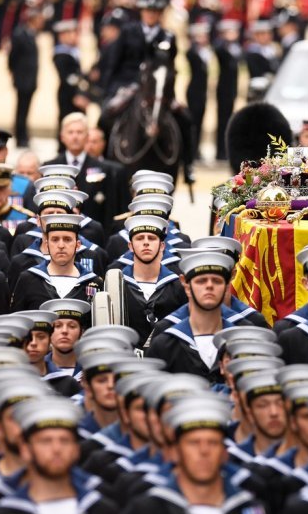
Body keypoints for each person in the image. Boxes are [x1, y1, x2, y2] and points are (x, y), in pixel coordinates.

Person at [118, 399, 271, 514]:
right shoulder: (146, 512)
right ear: (175, 452)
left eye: (213, 443)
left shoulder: (251, 511)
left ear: (225, 453)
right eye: (193, 443)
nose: (204, 451)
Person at [0, 397, 119, 514]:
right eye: (45, 441)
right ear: (26, 449)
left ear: (76, 449)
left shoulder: (102, 510)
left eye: (64, 440)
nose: (56, 449)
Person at [146, 252, 239, 382]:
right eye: (201, 281)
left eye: (217, 281)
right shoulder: (164, 345)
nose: (209, 286)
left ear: (227, 285)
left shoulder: (241, 341)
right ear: (186, 285)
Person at [42, 113, 130, 232]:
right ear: (62, 136)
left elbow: (110, 210)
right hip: (57, 234)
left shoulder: (104, 169)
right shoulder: (50, 167)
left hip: (94, 235)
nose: (75, 136)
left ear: (87, 136)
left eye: (79, 132)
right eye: (70, 132)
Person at [11, 214, 102, 311]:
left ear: (78, 245)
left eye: (67, 239)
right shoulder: (28, 279)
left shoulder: (93, 283)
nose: (61, 245)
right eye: (55, 240)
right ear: (47, 244)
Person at [120, 215, 187, 348]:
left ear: (162, 246)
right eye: (139, 238)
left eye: (151, 238)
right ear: (130, 246)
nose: (146, 242)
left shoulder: (178, 286)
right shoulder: (117, 283)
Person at [8, 5, 43, 147]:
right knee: (21, 109)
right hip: (22, 79)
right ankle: (20, 137)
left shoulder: (32, 34)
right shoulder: (19, 34)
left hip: (31, 79)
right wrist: (15, 74)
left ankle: (24, 135)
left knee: (26, 109)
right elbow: (12, 57)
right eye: (39, 19)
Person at [212, 19, 242, 161]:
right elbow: (218, 50)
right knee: (222, 121)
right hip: (223, 90)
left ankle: (225, 150)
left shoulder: (234, 48)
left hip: (231, 90)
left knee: (228, 119)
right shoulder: (221, 48)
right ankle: (220, 151)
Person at [53, 19, 90, 133]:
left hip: (76, 93)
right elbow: (68, 78)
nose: (76, 36)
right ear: (63, 36)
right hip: (68, 94)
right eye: (73, 33)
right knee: (68, 123)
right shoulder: (61, 54)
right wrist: (77, 95)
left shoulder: (73, 52)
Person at [186, 22, 211, 162]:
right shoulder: (192, 52)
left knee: (200, 121)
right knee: (194, 122)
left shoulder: (203, 51)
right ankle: (192, 151)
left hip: (202, 92)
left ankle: (196, 150)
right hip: (194, 92)